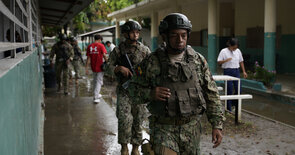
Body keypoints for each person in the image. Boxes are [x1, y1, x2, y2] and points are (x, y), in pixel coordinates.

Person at [128, 13, 224, 155]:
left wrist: (217, 124)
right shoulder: (151, 62)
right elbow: (132, 90)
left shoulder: (198, 60)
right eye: (174, 35)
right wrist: (150, 93)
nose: (180, 40)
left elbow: (211, 93)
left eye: (183, 35)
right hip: (163, 128)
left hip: (192, 128)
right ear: (165, 36)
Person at [106, 20, 151, 155]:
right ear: (125, 34)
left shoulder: (145, 50)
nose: (135, 35)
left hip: (140, 91)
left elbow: (152, 68)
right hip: (124, 91)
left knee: (138, 120)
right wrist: (118, 68)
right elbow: (107, 67)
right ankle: (124, 147)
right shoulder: (118, 50)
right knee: (125, 120)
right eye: (132, 32)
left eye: (137, 32)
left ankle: (136, 148)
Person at [217, 38, 247, 112]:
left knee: (239, 90)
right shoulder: (223, 51)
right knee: (229, 90)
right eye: (233, 48)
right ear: (229, 45)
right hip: (227, 71)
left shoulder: (238, 51)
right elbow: (219, 62)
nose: (234, 49)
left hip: (236, 71)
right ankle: (228, 109)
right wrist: (225, 60)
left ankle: (234, 104)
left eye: (236, 48)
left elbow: (241, 61)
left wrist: (244, 71)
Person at [85, 34, 108, 103]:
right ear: (100, 39)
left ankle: (97, 94)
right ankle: (96, 97)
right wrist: (108, 62)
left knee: (95, 80)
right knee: (99, 81)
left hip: (93, 67)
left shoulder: (89, 46)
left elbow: (88, 58)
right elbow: (104, 55)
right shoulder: (101, 45)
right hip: (100, 66)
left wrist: (86, 68)